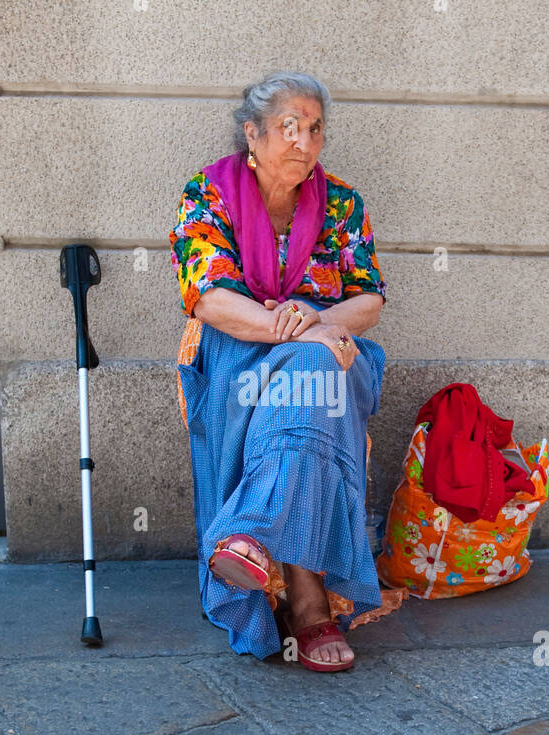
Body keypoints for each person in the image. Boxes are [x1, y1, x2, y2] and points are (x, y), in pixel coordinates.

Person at [170, 71, 404, 672]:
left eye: (315, 129)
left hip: (329, 352)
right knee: (314, 368)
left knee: (315, 369)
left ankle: (248, 534)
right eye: (289, 128)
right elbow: (210, 298)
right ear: (253, 133)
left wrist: (317, 321)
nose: (304, 142)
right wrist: (303, 329)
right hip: (237, 349)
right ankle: (309, 602)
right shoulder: (209, 194)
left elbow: (370, 299)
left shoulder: (342, 203)